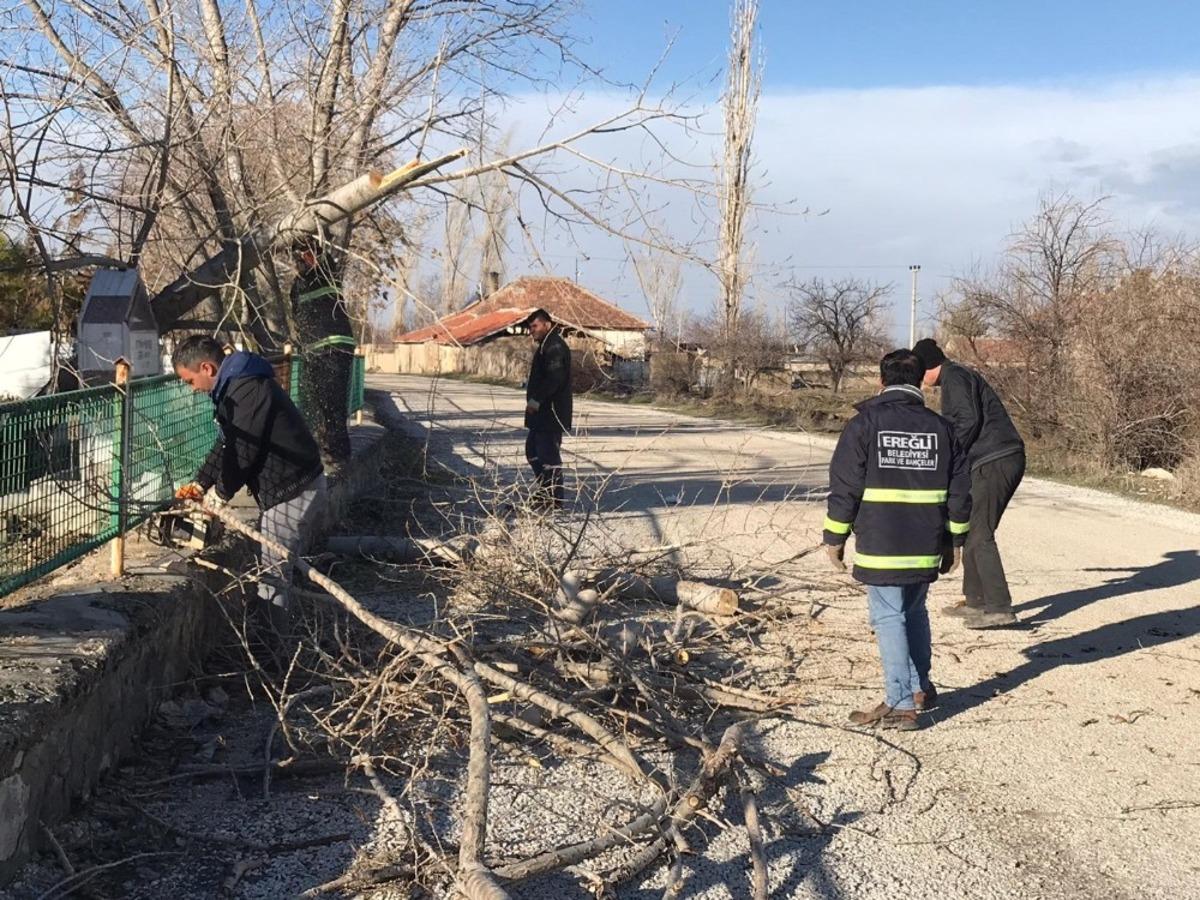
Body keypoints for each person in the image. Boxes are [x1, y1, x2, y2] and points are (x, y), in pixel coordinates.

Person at [824, 349, 971, 730]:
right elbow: (959, 491)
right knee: (914, 611)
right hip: (926, 541)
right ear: (922, 381)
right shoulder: (942, 429)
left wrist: (835, 537)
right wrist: (956, 541)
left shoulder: (864, 425)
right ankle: (920, 687)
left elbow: (845, 486)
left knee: (888, 616)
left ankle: (901, 703)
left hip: (881, 541)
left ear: (881, 381)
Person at [172, 336, 327, 641]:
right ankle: (269, 634)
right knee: (272, 565)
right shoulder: (236, 385)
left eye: (191, 380)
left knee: (273, 574)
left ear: (207, 367)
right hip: (287, 489)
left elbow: (242, 450)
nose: (193, 389)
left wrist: (221, 494)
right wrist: (201, 482)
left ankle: (273, 655)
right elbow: (227, 441)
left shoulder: (247, 390)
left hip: (294, 489)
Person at [912, 338, 1025, 629]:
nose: (920, 380)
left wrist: (947, 455)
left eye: (920, 373)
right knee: (975, 530)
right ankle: (976, 603)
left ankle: (1000, 607)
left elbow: (967, 421)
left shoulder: (956, 378)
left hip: (996, 458)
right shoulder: (956, 376)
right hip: (992, 458)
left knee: (981, 533)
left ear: (929, 367)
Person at [291, 240, 355, 475]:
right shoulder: (298, 285)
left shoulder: (326, 272)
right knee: (314, 405)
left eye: (308, 255)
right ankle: (318, 454)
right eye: (299, 256)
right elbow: (296, 316)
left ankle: (337, 458)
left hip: (335, 350)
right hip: (313, 351)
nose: (302, 261)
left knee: (332, 405)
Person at [523, 309, 572, 508]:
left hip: (551, 413)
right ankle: (545, 495)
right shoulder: (546, 345)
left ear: (547, 325)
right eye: (530, 327)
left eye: (535, 326)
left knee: (548, 457)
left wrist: (536, 401)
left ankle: (555, 500)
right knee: (532, 451)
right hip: (542, 414)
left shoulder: (555, 347)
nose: (531, 331)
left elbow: (555, 379)